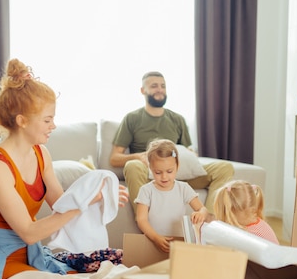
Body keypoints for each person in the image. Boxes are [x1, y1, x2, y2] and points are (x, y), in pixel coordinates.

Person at [0, 58, 129, 279]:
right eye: (47, 120)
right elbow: (28, 232)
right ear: (22, 120)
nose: (53, 126)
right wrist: (82, 202)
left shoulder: (41, 154)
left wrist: (96, 197)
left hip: (31, 255)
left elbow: (61, 204)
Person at [109, 71, 234, 214]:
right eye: (154, 86)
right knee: (132, 166)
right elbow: (114, 158)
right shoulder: (132, 119)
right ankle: (145, 222)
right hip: (150, 171)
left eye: (163, 86)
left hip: (175, 171)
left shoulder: (177, 119)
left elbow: (187, 150)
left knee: (224, 167)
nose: (160, 89)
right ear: (143, 90)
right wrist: (138, 157)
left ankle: (209, 221)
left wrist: (190, 154)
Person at [135, 139, 208, 252]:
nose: (164, 177)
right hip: (153, 241)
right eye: (158, 173)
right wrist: (155, 238)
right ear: (150, 168)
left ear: (177, 166)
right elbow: (141, 219)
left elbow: (202, 209)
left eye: (169, 171)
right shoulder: (146, 190)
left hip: (178, 243)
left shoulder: (183, 188)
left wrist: (201, 214)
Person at [212, 180, 279, 244]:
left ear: (233, 212)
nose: (226, 219)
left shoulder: (248, 235)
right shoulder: (258, 224)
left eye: (226, 214)